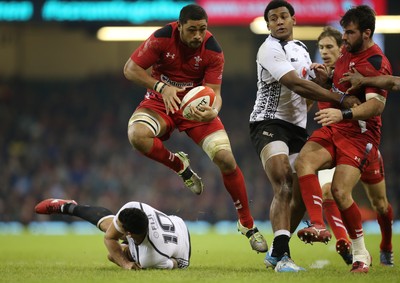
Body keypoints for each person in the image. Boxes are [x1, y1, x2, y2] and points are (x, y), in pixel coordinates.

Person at [122, 4, 267, 253]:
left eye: (202, 29)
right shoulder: (161, 38)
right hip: (161, 101)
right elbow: (130, 69)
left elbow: (216, 93)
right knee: (137, 135)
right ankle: (180, 166)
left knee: (226, 160)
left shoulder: (213, 51)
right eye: (192, 30)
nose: (198, 35)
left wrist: (215, 110)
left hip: (195, 108)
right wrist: (161, 88)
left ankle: (247, 225)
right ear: (180, 27)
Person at [248, 0, 359, 272]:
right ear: (268, 25)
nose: (279, 22)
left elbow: (307, 82)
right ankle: (283, 257)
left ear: (294, 19)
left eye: (284, 16)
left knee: (299, 191)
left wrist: (319, 77)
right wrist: (340, 98)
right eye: (273, 19)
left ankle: (276, 251)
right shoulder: (268, 49)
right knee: (284, 179)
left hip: (297, 129)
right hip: (268, 122)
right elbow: (294, 83)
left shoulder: (300, 49)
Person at [294, 5, 392, 273]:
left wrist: (344, 113)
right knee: (304, 161)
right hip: (335, 126)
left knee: (341, 191)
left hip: (360, 134)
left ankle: (367, 252)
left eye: (349, 33)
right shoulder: (345, 52)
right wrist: (325, 81)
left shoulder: (375, 62)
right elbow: (336, 86)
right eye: (343, 32)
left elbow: (376, 106)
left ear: (367, 33)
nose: (344, 38)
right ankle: (317, 224)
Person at [315, 26, 394, 267]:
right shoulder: (321, 77)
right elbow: (307, 101)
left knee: (380, 204)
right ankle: (346, 243)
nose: (325, 52)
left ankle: (386, 246)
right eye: (321, 48)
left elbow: (374, 104)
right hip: (335, 143)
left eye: (330, 47)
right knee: (331, 190)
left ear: (342, 49)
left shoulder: (353, 72)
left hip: (362, 144)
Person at [35, 198, 190, 270]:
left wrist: (124, 259)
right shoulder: (133, 207)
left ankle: (68, 208)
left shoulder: (149, 258)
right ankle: (67, 207)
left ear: (129, 234)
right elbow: (109, 237)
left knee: (113, 253)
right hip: (176, 223)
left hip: (181, 255)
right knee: (110, 229)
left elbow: (175, 264)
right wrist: (125, 263)